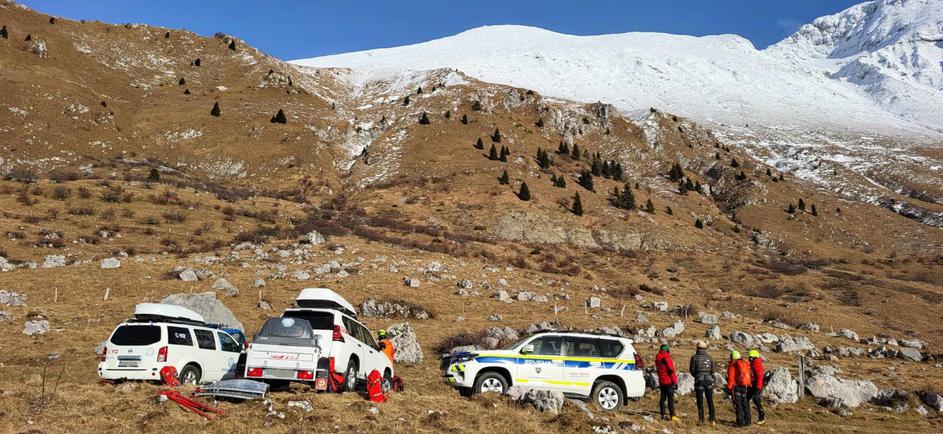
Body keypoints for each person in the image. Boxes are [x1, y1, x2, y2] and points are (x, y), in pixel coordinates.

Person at [689, 341, 716, 426]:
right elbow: (712, 370)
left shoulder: (694, 357)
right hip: (708, 381)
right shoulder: (710, 357)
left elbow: (692, 370)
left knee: (700, 401)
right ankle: (712, 419)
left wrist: (696, 376)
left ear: (697, 348)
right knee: (710, 400)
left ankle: (701, 419)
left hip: (699, 381)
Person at [726, 350, 752, 427]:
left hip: (736, 387)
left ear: (732, 357)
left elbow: (731, 378)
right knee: (745, 404)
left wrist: (729, 388)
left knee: (738, 404)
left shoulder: (733, 365)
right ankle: (748, 421)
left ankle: (739, 422)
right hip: (745, 386)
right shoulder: (745, 363)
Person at [655, 344, 679, 421]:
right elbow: (671, 371)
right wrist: (675, 382)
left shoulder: (657, 358)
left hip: (662, 381)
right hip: (668, 381)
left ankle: (663, 415)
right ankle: (672, 415)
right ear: (667, 350)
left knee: (662, 398)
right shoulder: (667, 358)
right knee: (670, 399)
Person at [748, 349, 766, 425]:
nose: (749, 358)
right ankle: (748, 417)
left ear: (754, 357)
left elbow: (760, 376)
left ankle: (762, 418)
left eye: (750, 357)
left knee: (756, 399)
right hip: (753, 384)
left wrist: (758, 387)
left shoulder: (756, 364)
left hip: (757, 385)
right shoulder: (753, 364)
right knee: (747, 398)